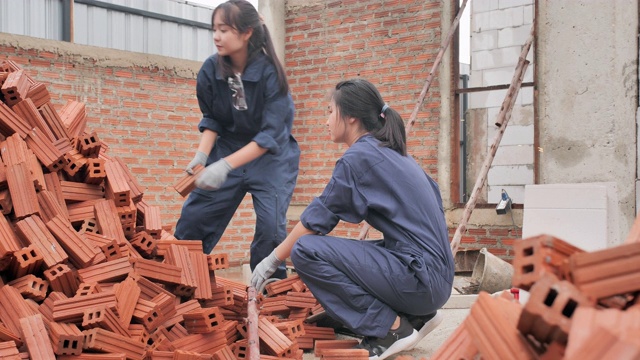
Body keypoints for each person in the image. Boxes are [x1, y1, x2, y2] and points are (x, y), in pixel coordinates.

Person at [251, 79, 454, 360]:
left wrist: (272, 259)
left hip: (421, 280)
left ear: (350, 116)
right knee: (358, 249)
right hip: (436, 276)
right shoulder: (396, 154)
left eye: (330, 112)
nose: (326, 121)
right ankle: (417, 316)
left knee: (306, 251)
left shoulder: (358, 157)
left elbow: (316, 221)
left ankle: (389, 329)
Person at [175, 0, 300, 281]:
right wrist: (203, 156)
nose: (217, 36)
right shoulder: (211, 70)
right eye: (214, 29)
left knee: (271, 230)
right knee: (194, 218)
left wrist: (225, 166)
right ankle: (183, 282)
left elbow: (270, 136)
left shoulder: (271, 75)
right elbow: (213, 119)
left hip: (271, 158)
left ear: (246, 33)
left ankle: (267, 295)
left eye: (225, 29)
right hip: (228, 148)